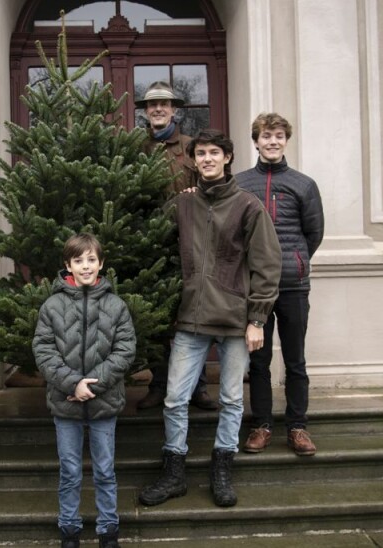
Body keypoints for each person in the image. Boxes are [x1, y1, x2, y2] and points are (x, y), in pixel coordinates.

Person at [139, 130, 281, 508]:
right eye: (200, 154)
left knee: (233, 400)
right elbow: (149, 239)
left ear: (228, 158)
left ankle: (222, 468)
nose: (206, 159)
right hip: (190, 319)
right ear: (194, 160)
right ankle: (173, 472)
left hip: (235, 321)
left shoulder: (249, 206)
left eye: (214, 153)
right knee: (174, 399)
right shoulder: (183, 205)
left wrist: (257, 320)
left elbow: (268, 266)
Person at [33, 233, 135, 548]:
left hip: (104, 403)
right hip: (66, 404)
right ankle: (69, 529)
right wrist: (71, 383)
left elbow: (125, 350)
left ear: (101, 263)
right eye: (79, 260)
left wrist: (92, 385)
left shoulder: (116, 306)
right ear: (68, 265)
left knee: (105, 469)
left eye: (91, 259)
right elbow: (44, 351)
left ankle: (108, 530)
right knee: (70, 471)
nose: (86, 266)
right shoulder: (52, 306)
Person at [235, 113, 324, 457]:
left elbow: (313, 233)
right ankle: (261, 425)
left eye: (278, 136)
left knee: (295, 359)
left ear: (286, 141)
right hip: (255, 288)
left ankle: (298, 426)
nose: (272, 141)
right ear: (255, 141)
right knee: (258, 361)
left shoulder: (304, 185)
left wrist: (294, 262)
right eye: (265, 136)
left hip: (293, 286)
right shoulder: (241, 183)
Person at [133, 81, 217, 412]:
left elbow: (212, 190)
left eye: (164, 104)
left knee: (192, 316)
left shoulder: (192, 148)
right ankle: (158, 384)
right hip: (149, 248)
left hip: (189, 247)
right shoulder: (135, 150)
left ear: (174, 109)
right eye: (152, 105)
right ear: (145, 111)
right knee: (156, 320)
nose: (157, 109)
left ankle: (197, 387)